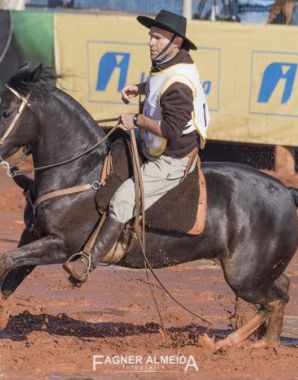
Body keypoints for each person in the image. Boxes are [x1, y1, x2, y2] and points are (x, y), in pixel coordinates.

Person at [63, 9, 210, 285]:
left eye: (157, 37)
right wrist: (140, 88)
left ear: (175, 42)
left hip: (171, 161)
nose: (150, 42)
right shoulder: (170, 62)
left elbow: (170, 129)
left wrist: (137, 119)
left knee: (121, 201)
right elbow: (159, 87)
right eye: (150, 36)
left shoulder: (179, 83)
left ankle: (87, 263)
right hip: (153, 147)